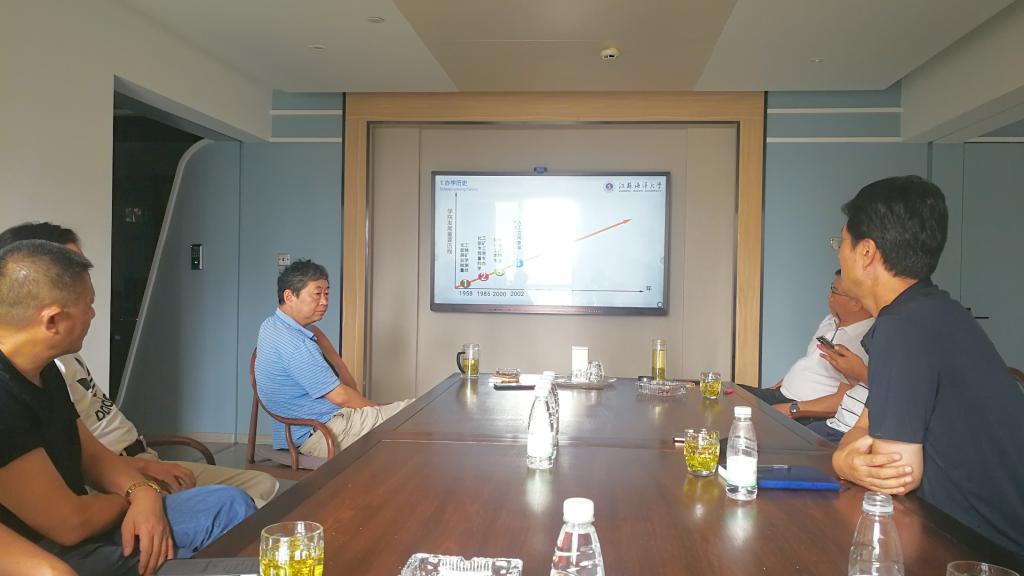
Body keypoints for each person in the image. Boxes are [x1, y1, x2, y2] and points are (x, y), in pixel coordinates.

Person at [0, 240, 255, 576]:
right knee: (211, 564)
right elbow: (70, 524)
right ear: (53, 321)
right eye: (89, 305)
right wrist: (131, 501)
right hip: (50, 551)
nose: (93, 315)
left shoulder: (45, 370)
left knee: (229, 504)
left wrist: (144, 494)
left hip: (94, 522)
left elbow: (93, 458)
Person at [830, 175, 1024, 558]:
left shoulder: (903, 327)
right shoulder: (933, 311)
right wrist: (846, 457)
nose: (839, 255)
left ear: (866, 253)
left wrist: (844, 459)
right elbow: (865, 426)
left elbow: (895, 474)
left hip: (984, 554)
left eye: (842, 244)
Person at [255, 260, 412, 458]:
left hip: (310, 428)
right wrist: (376, 410)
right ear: (289, 296)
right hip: (322, 433)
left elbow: (348, 386)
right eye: (317, 294)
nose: (324, 301)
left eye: (326, 293)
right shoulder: (296, 344)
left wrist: (327, 349)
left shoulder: (271, 325)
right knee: (418, 413)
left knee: (412, 412)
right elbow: (341, 396)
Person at [740, 270, 873, 427]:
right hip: (781, 395)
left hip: (803, 411)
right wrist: (784, 383)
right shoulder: (831, 320)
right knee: (722, 394)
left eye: (835, 291)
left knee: (739, 421)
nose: (829, 296)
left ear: (856, 303)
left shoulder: (865, 340)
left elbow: (841, 400)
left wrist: (791, 409)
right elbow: (812, 362)